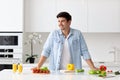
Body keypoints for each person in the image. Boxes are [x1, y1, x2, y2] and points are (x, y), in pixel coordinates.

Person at [33, 12, 98, 71]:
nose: (60, 24)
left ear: (69, 22)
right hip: (56, 71)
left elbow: (84, 52)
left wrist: (92, 67)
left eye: (62, 21)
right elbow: (46, 51)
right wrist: (38, 66)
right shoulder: (53, 34)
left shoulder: (77, 34)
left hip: (74, 71)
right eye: (58, 21)